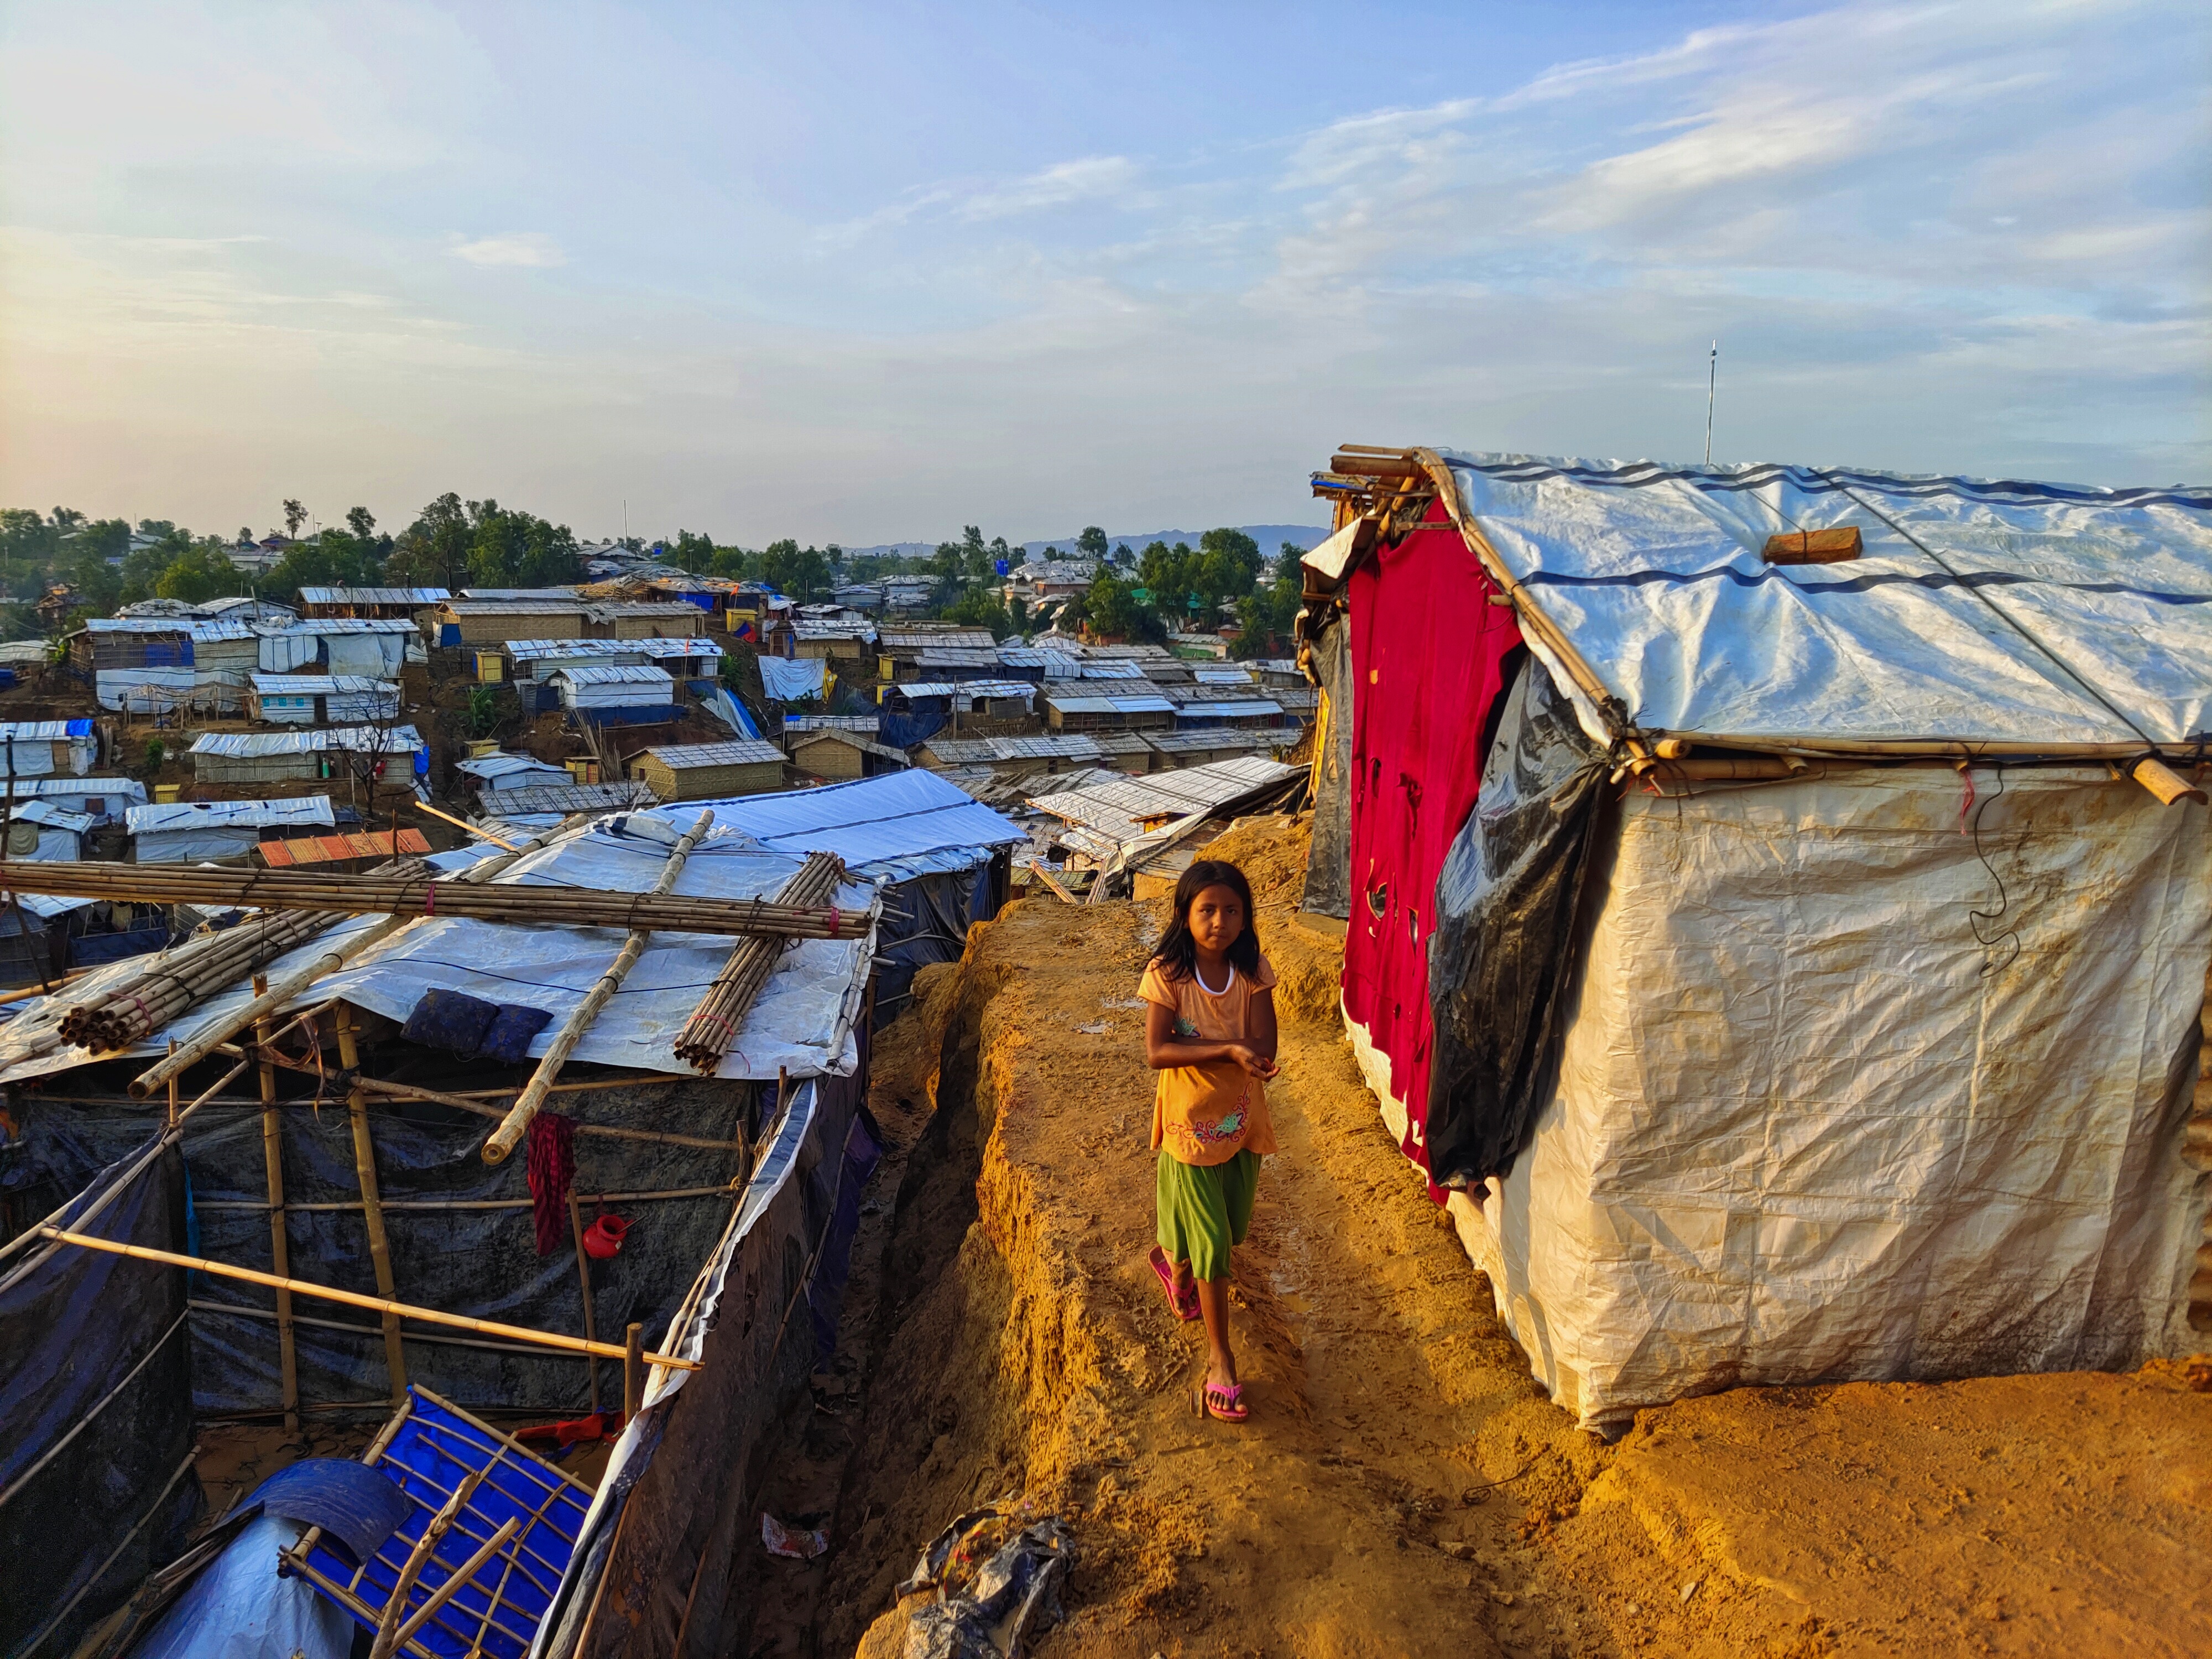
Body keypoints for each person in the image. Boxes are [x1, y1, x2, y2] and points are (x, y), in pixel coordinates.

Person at [1138, 858, 1278, 1423]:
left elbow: (1266, 1044)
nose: (1219, 921)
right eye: (1207, 910)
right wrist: (1227, 1050)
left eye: (1230, 910)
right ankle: (1221, 1361)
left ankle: (1175, 1263)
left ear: (1245, 919)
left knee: (1232, 1226)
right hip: (1187, 1127)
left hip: (1240, 1122)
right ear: (1185, 915)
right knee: (1217, 1245)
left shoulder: (1252, 973)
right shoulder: (1168, 975)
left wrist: (1255, 1059)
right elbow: (1157, 1051)